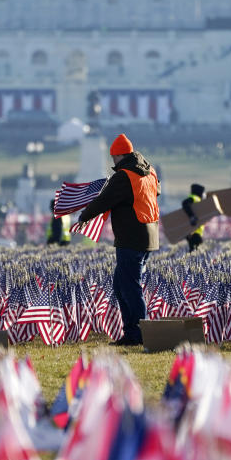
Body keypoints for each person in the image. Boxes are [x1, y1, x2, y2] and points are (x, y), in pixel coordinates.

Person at [77, 133, 160, 346]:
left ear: (117, 155)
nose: (112, 161)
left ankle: (139, 334)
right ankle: (132, 332)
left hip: (131, 238)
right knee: (122, 285)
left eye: (113, 158)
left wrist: (84, 216)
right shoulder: (150, 171)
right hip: (149, 236)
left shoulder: (124, 176)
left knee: (130, 287)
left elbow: (104, 200)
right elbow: (155, 191)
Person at [181, 184, 206, 252]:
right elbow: (185, 203)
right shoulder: (196, 198)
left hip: (193, 231)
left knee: (193, 250)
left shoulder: (198, 200)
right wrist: (192, 216)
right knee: (195, 250)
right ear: (200, 192)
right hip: (194, 232)